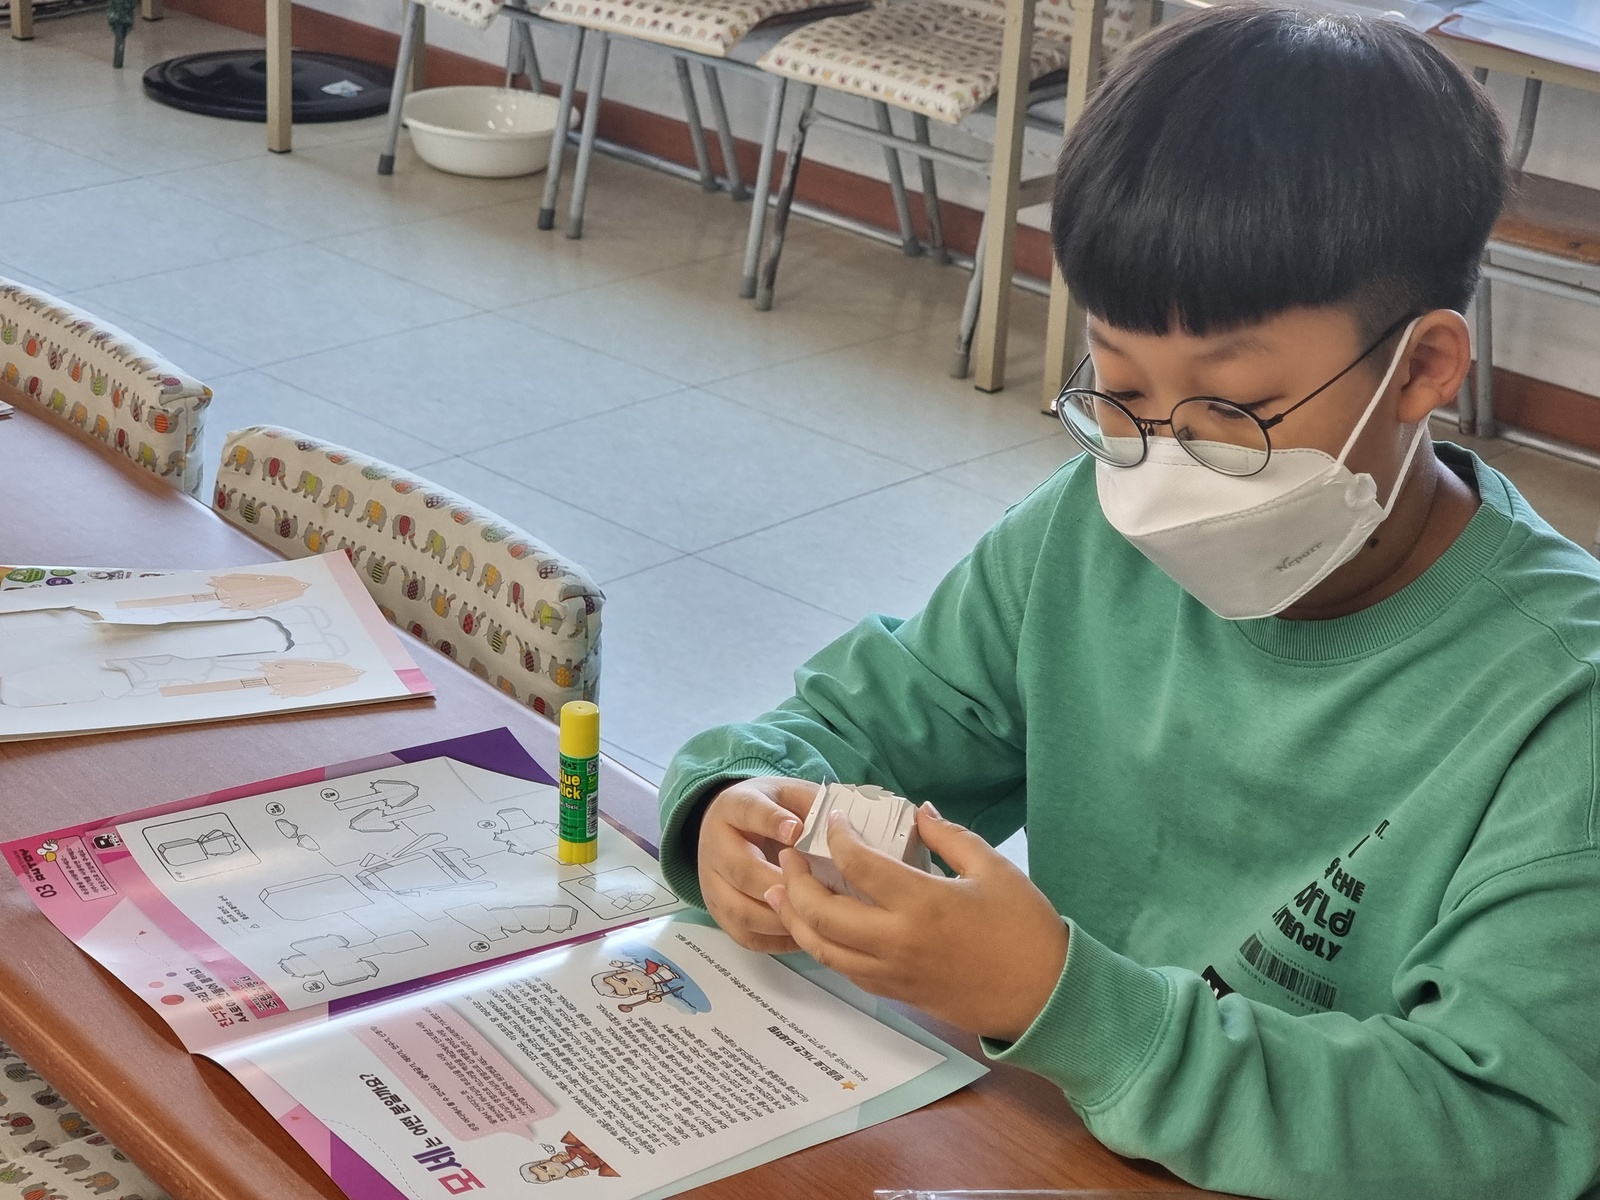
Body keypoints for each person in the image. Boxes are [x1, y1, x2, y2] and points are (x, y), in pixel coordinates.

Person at [655, 5, 1600, 1198]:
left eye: (1230, 411)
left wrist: (1064, 1002)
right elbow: (861, 726)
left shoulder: (1559, 705)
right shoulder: (1083, 535)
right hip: (1064, 1137)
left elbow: (1504, 1134)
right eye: (1121, 390)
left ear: (1419, 369)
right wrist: (728, 810)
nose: (1162, 467)